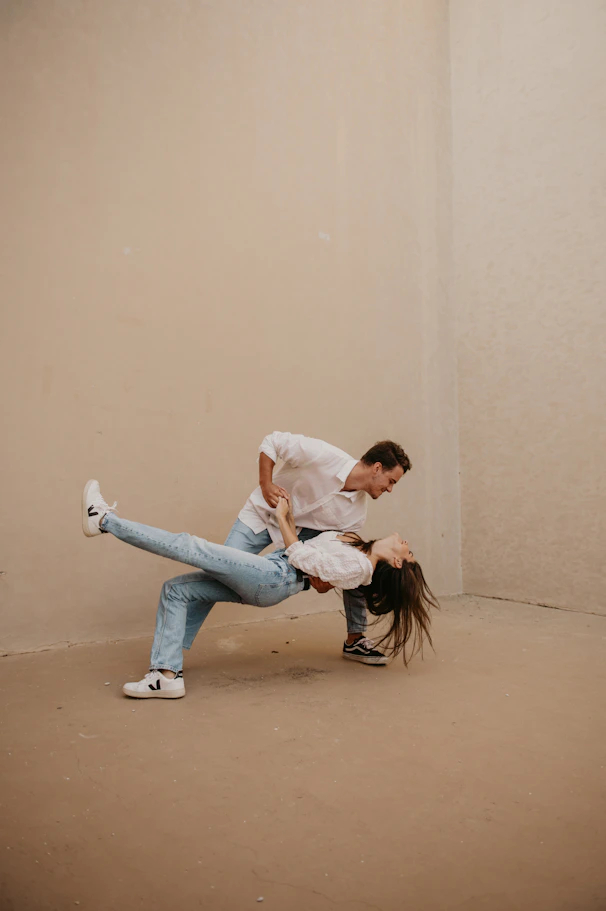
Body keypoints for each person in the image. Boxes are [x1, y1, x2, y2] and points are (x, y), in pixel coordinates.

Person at [82, 480, 437, 699]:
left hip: (273, 576)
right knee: (178, 591)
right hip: (271, 576)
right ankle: (165, 675)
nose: (406, 543)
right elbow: (313, 565)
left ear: (397, 563)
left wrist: (284, 516)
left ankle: (103, 520)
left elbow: (298, 554)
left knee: (191, 546)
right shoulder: (357, 548)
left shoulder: (361, 566)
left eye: (408, 551)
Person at [211, 431, 413, 666]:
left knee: (360, 556)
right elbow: (272, 442)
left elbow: (340, 554)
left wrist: (328, 580)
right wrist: (266, 484)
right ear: (377, 468)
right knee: (219, 573)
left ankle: (355, 639)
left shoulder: (357, 513)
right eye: (391, 481)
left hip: (302, 534)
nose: (390, 489)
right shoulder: (324, 456)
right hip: (262, 515)